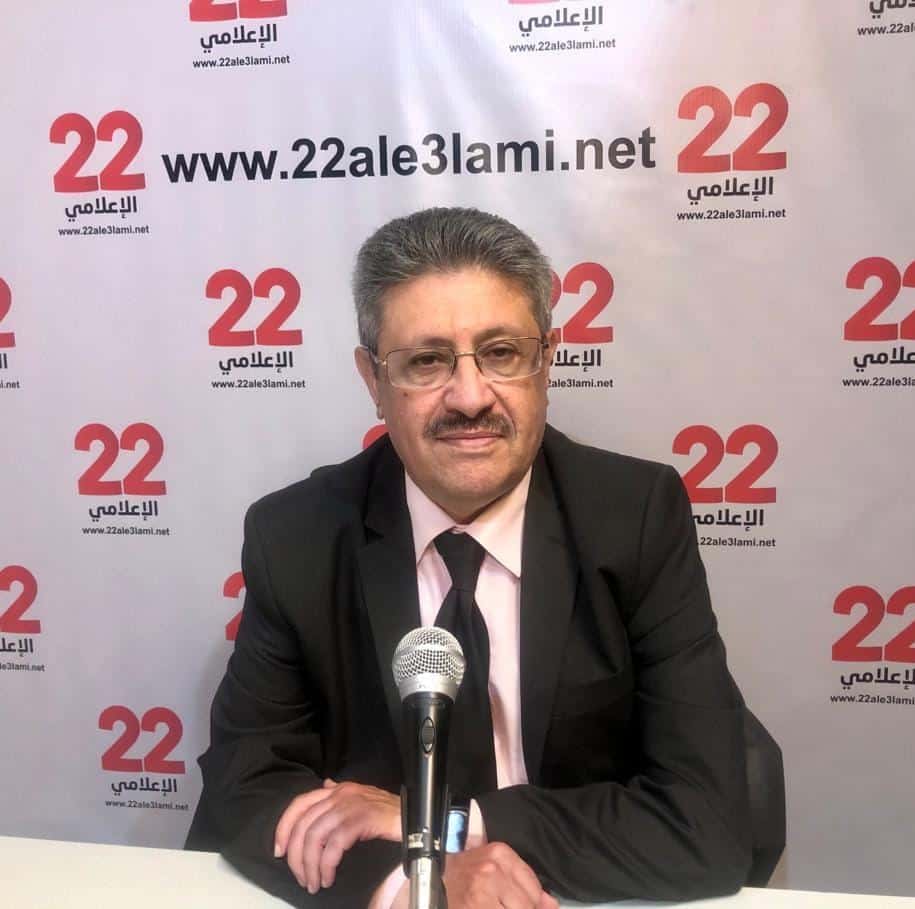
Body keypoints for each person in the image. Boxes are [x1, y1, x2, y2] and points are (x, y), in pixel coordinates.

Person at [186, 207, 754, 908]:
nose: (469, 396)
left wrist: (441, 824)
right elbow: (245, 786)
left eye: (501, 352)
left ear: (547, 359)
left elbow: (705, 820)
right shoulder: (296, 536)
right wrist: (411, 885)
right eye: (426, 361)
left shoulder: (635, 517)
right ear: (373, 380)